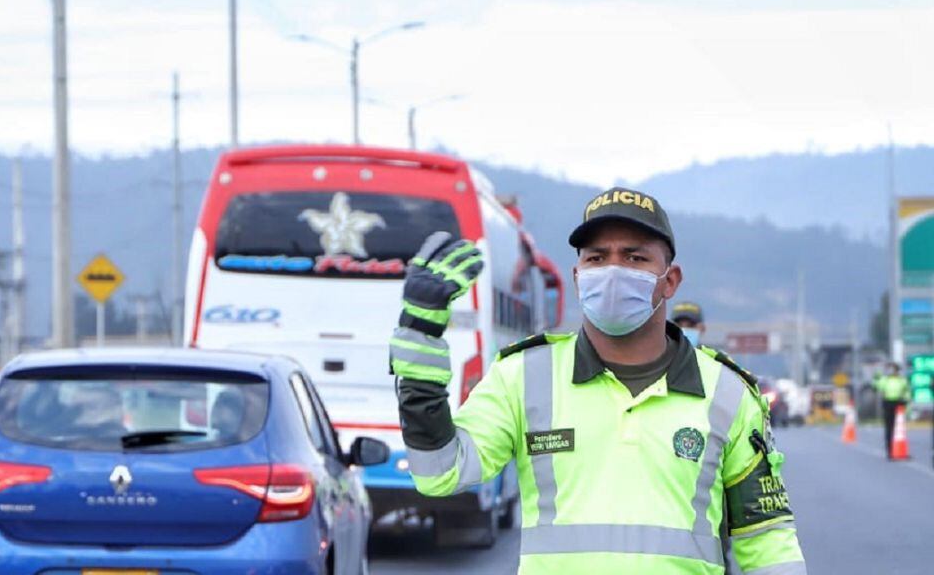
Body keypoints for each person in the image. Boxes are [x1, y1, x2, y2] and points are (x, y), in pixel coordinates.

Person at [389, 187, 805, 574]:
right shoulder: (523, 376)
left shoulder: (728, 393)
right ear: (577, 277)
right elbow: (439, 473)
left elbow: (767, 542)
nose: (613, 271)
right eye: (597, 257)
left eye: (635, 258)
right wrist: (419, 339)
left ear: (671, 280)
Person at [874, 362, 909, 458]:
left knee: (899, 429)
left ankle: (900, 450)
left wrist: (906, 404)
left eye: (893, 369)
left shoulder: (902, 380)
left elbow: (906, 392)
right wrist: (876, 377)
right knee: (889, 428)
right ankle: (890, 451)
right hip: (888, 404)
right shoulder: (885, 380)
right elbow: (878, 386)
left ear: (897, 370)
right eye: (889, 369)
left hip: (899, 405)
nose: (891, 371)